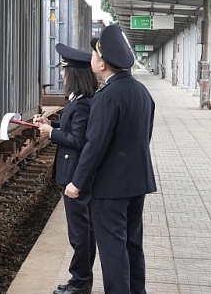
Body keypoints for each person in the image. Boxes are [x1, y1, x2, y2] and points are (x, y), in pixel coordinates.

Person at [65, 25, 156, 294]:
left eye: (93, 56)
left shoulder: (107, 96)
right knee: (132, 245)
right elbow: (144, 137)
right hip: (137, 182)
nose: (91, 60)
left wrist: (77, 183)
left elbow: (95, 145)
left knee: (113, 250)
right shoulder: (142, 91)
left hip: (110, 188)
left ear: (102, 64)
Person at [34, 43, 98, 294]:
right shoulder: (81, 100)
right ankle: (79, 279)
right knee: (83, 230)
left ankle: (80, 282)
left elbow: (79, 141)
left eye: (65, 71)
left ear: (75, 75)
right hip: (73, 172)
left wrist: (52, 133)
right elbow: (74, 128)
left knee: (80, 232)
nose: (62, 75)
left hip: (75, 175)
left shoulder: (82, 103)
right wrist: (53, 123)